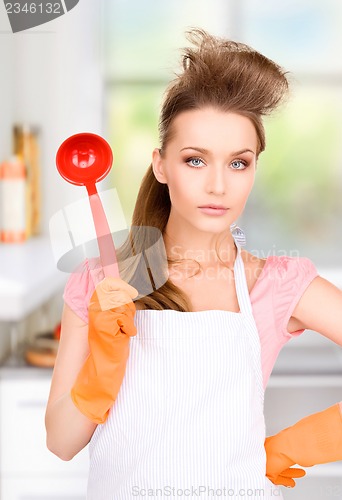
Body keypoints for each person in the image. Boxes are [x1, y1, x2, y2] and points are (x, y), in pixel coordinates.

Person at [45, 28, 342, 499]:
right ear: (161, 165)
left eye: (238, 163)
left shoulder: (280, 285)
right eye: (195, 160)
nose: (219, 186)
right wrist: (100, 372)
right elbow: (60, 442)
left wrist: (298, 445)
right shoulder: (101, 283)